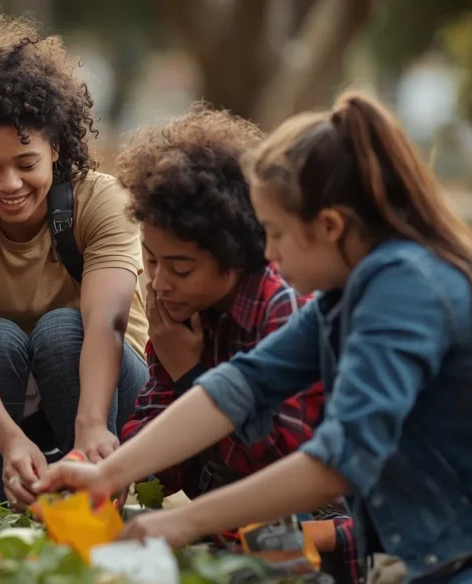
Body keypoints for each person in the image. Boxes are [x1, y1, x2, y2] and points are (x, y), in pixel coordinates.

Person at [35, 90, 472, 582]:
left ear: (330, 226)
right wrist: (108, 474)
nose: (266, 251)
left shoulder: (403, 288)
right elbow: (242, 383)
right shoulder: (347, 294)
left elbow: (339, 459)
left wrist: (178, 523)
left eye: (274, 233)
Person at [0, 16, 150, 506]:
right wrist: (8, 438)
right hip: (1, 397)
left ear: (55, 148)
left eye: (26, 164)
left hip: (107, 386)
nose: (10, 185)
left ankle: (97, 492)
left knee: (63, 330)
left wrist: (90, 428)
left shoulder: (100, 200)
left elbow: (107, 322)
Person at [115, 106, 358, 582]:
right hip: (226, 520)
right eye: (150, 258)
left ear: (235, 257)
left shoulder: (284, 306)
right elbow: (161, 449)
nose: (160, 281)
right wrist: (119, 470)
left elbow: (278, 464)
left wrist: (188, 374)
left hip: (313, 519)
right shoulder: (177, 310)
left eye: (181, 268)